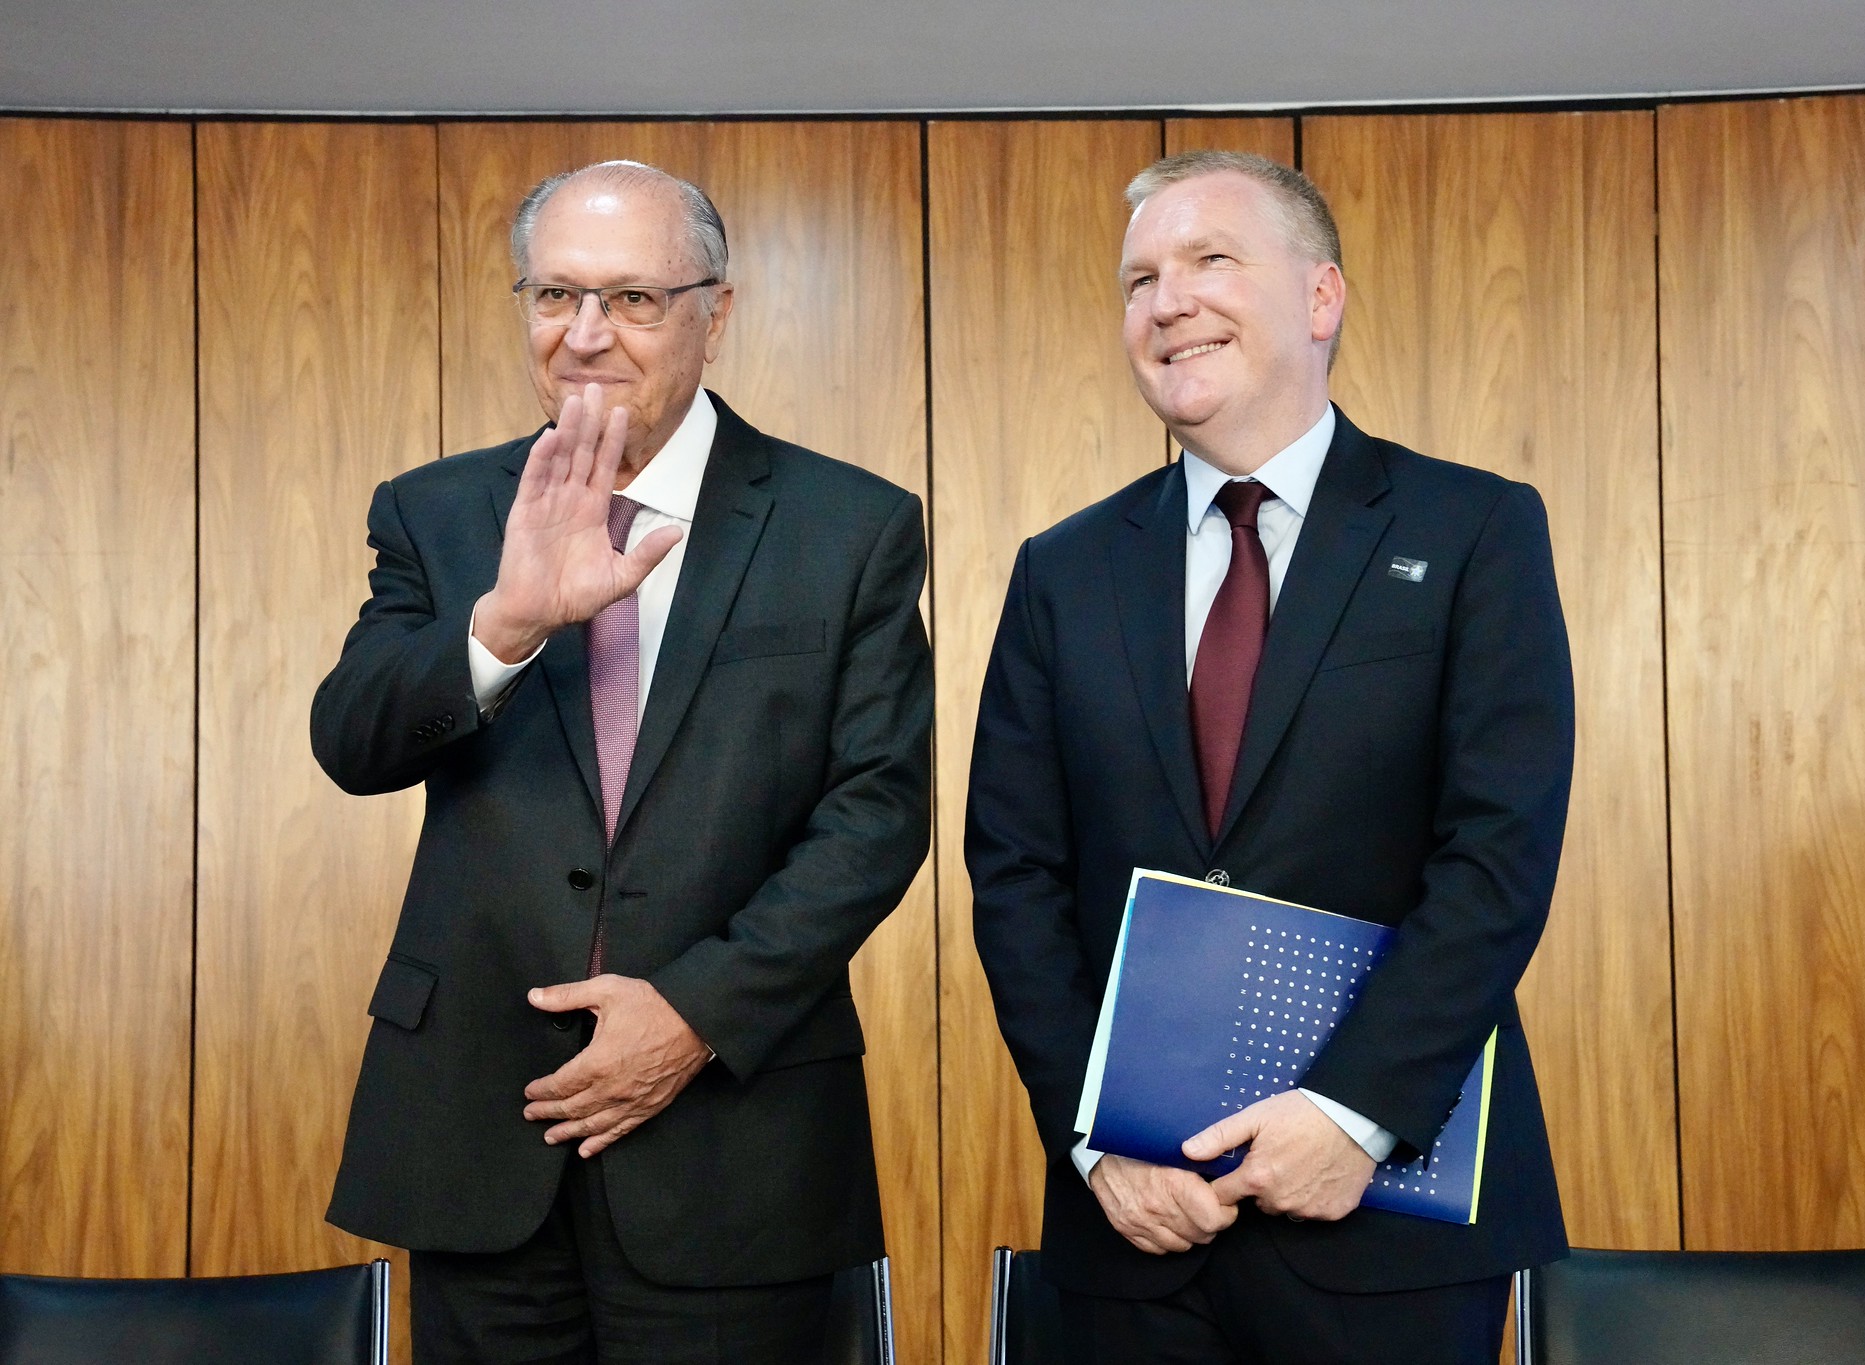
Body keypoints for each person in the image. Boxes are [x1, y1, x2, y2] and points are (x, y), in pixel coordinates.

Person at [311, 159, 932, 1364]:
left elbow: (874, 815)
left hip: (734, 1139)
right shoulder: (437, 511)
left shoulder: (848, 525)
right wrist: (503, 626)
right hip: (479, 1132)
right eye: (556, 296)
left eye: (633, 299)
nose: (585, 334)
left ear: (715, 311)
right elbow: (352, 742)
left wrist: (694, 1013)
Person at [966, 150, 1574, 1364]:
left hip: (1387, 1220)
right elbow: (1015, 874)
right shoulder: (1062, 571)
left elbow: (1496, 854)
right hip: (1134, 1229)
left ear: (1319, 297)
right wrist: (1095, 1142)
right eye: (1139, 279)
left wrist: (1353, 1116)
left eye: (1209, 260)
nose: (1167, 301)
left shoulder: (1472, 528)